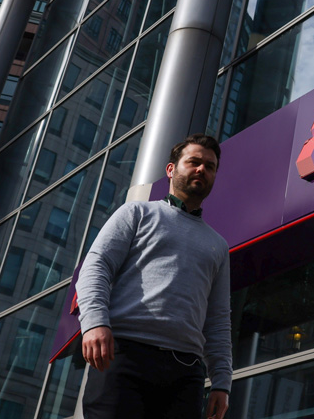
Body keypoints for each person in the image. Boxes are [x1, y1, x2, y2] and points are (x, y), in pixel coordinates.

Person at [76, 134, 232, 419]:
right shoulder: (136, 213)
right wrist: (95, 323)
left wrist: (222, 382)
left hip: (186, 375)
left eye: (209, 166)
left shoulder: (219, 245)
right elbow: (96, 267)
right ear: (171, 169)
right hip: (124, 356)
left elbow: (218, 318)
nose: (202, 169)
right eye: (194, 162)